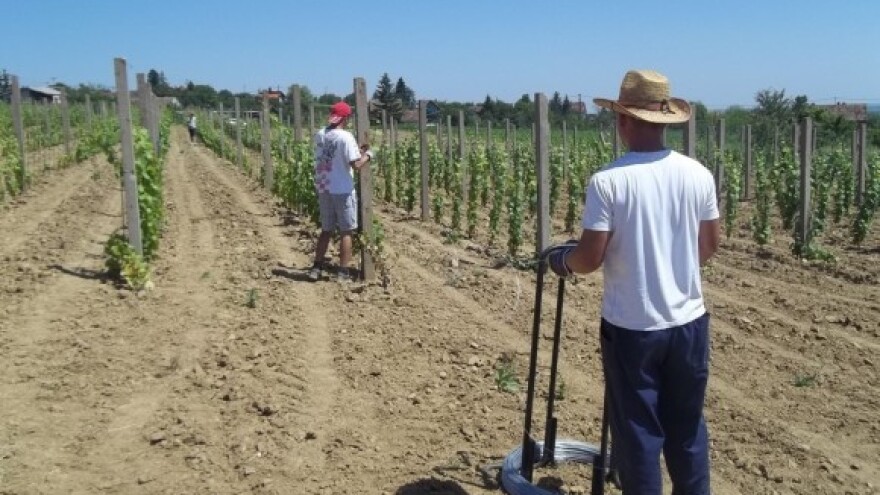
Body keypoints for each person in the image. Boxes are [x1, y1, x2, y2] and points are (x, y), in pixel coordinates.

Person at [545, 70, 721, 495]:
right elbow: (710, 245)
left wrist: (560, 261)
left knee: (639, 435)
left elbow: (589, 259)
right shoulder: (698, 174)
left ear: (623, 120)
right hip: (689, 323)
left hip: (633, 328)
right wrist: (669, 267)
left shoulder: (608, 181)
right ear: (664, 121)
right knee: (687, 429)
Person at [308, 101, 373, 282]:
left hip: (324, 187)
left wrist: (355, 150)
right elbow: (356, 164)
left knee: (326, 230)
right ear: (346, 118)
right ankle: (343, 272)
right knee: (346, 232)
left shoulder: (320, 134)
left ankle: (317, 267)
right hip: (342, 190)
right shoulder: (346, 137)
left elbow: (333, 154)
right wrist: (368, 155)